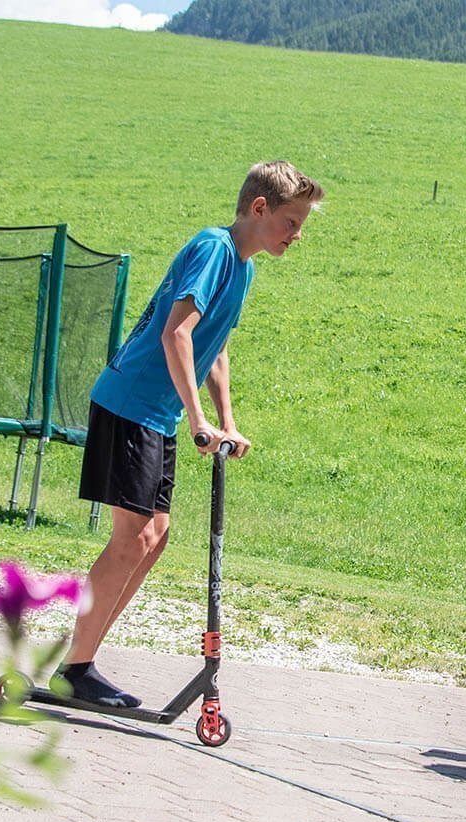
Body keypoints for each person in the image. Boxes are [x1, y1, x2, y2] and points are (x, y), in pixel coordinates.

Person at [56, 161, 323, 707]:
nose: (297, 236)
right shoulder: (214, 249)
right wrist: (197, 419)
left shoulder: (243, 268)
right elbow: (177, 332)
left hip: (157, 415)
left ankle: (82, 662)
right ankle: (74, 668)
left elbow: (214, 347)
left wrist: (225, 420)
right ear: (259, 209)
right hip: (131, 404)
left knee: (154, 540)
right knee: (131, 538)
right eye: (292, 222)